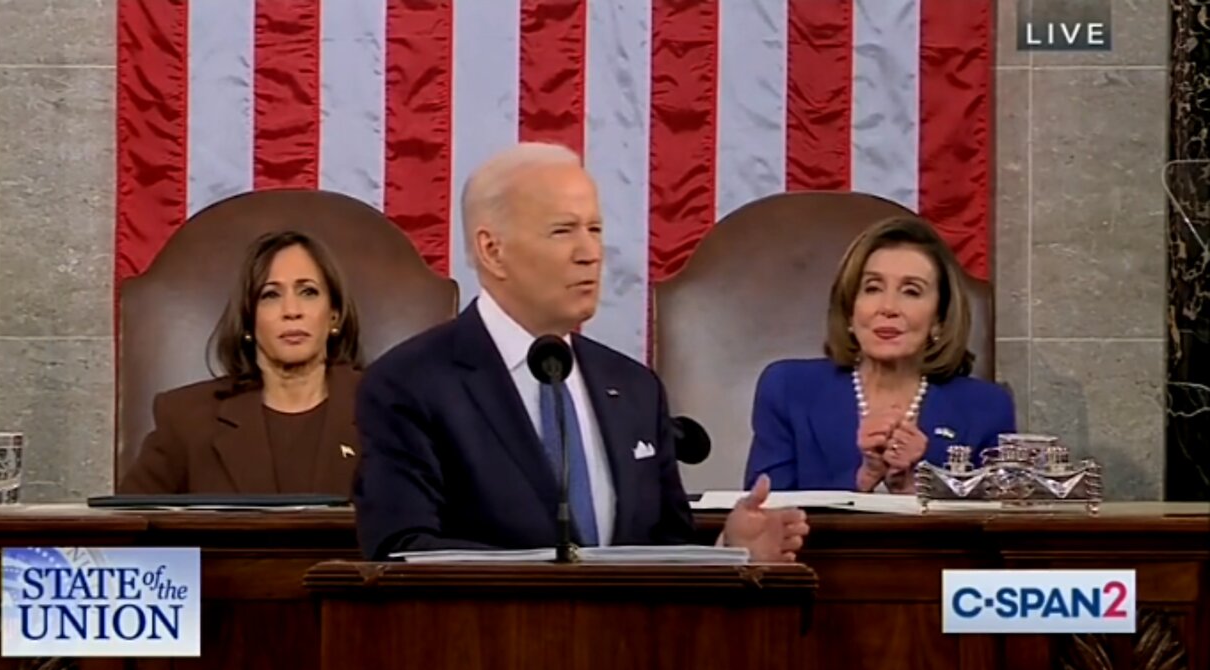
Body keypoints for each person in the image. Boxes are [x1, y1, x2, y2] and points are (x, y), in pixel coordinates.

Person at [354, 142, 808, 562]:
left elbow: (663, 549)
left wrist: (728, 550)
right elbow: (401, 551)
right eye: (562, 231)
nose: (590, 252)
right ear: (492, 251)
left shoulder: (634, 388)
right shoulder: (410, 385)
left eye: (594, 229)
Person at [744, 216, 1016, 493]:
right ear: (851, 309)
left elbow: (993, 526)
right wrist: (862, 479)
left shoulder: (987, 407)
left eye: (911, 291)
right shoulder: (788, 389)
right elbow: (763, 512)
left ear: (939, 319)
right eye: (872, 288)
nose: (888, 307)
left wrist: (914, 487)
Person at [119, 230, 363, 495]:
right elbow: (130, 526)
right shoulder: (186, 419)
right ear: (248, 321)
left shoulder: (387, 412)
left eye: (308, 292)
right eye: (270, 295)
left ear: (334, 317)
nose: (292, 311)